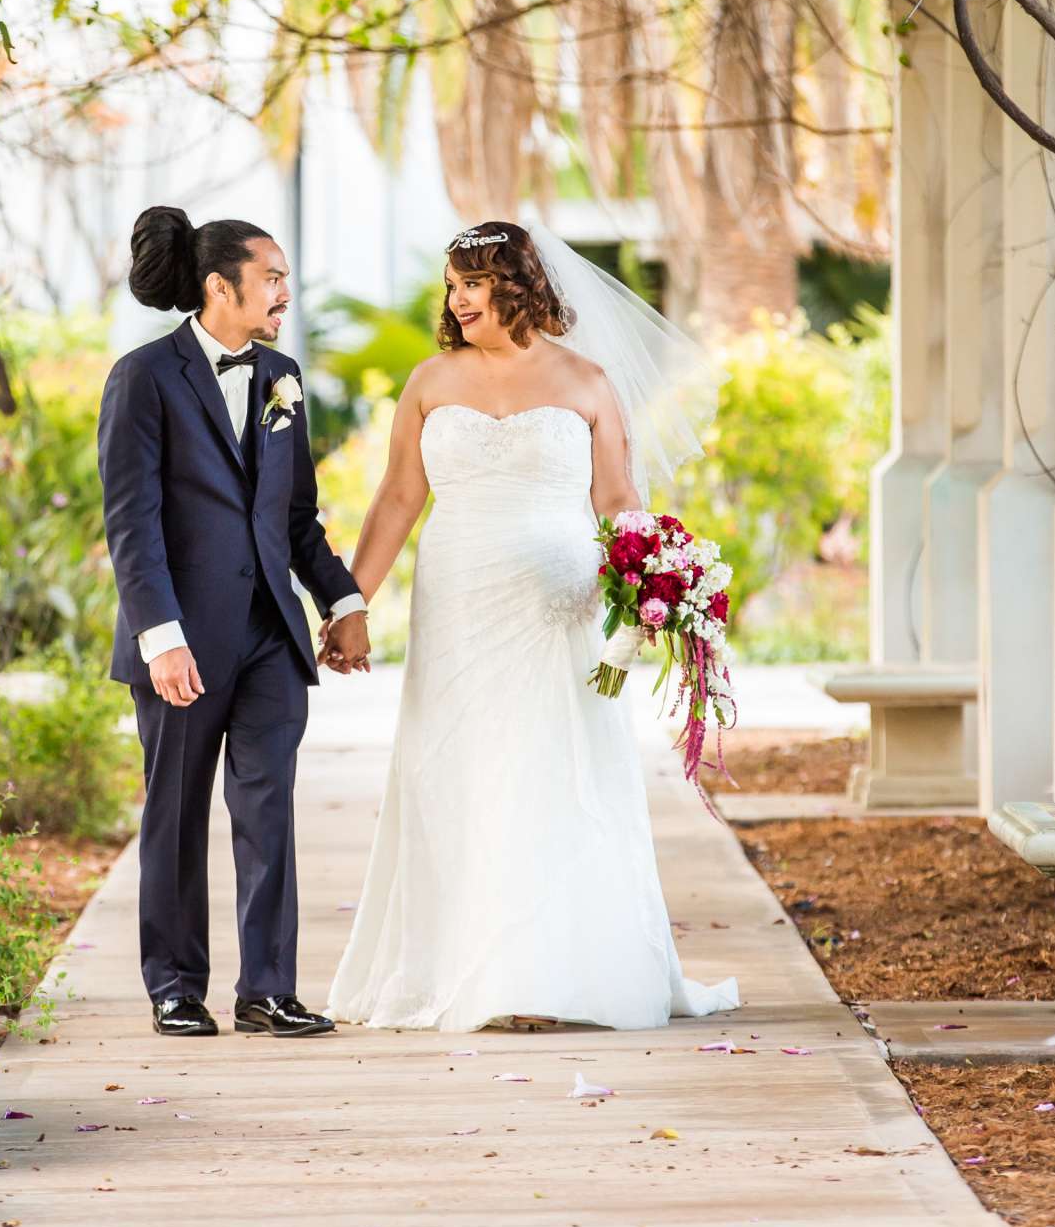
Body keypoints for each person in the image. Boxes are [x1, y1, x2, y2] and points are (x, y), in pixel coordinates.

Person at [323, 220, 739, 1034]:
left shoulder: (587, 381)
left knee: (555, 769)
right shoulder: (431, 380)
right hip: (459, 600)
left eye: (470, 284)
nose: (456, 301)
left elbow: (617, 502)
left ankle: (553, 973)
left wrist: (651, 584)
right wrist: (351, 604)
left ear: (517, 285)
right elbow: (399, 499)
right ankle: (469, 971)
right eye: (451, 286)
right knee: (459, 769)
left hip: (561, 607)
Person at [98, 206, 370, 1038]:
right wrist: (160, 637)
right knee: (175, 817)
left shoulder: (283, 375)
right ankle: (176, 987)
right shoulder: (144, 377)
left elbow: (295, 518)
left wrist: (344, 600)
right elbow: (132, 520)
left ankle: (268, 989)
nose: (285, 292)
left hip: (270, 642)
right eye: (272, 277)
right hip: (180, 641)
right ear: (222, 286)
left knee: (267, 813)